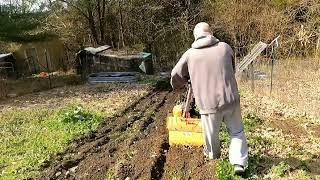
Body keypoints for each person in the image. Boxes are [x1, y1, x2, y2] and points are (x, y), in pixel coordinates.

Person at [170, 22, 249, 175]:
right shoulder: (225, 47)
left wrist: (179, 85)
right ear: (211, 33)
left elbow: (175, 75)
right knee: (237, 132)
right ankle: (239, 162)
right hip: (230, 99)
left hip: (208, 105)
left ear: (195, 36)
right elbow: (231, 69)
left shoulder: (190, 54)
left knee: (211, 137)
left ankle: (214, 160)